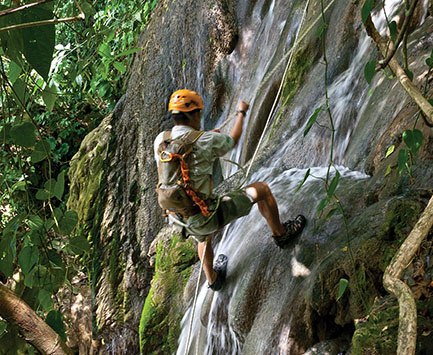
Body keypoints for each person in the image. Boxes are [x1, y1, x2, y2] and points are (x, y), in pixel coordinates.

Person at [154, 89, 306, 291]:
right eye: (199, 112)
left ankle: (212, 279)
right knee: (262, 190)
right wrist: (241, 113)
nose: (200, 116)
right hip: (207, 216)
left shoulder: (162, 141)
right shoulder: (205, 140)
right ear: (193, 115)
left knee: (203, 237)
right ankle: (281, 233)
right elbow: (232, 141)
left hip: (178, 217)